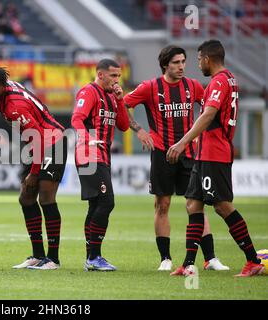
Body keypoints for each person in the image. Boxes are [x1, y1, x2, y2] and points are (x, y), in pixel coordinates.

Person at [123, 45, 229, 271]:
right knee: (163, 204)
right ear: (165, 65)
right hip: (162, 154)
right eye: (176, 63)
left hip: (190, 154)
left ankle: (210, 259)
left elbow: (211, 110)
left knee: (196, 205)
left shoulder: (193, 86)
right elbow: (122, 105)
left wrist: (203, 136)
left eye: (183, 62)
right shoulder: (150, 87)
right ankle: (165, 259)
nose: (182, 67)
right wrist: (139, 130)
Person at [167, 40, 265, 277]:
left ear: (208, 59)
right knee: (193, 204)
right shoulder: (229, 78)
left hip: (214, 153)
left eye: (199, 59)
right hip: (205, 154)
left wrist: (183, 142)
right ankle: (188, 264)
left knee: (222, 206)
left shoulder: (219, 81)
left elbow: (209, 114)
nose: (198, 63)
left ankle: (253, 261)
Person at [0, 63, 66, 270]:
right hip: (34, 143)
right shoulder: (4, 87)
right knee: (26, 198)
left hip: (51, 142)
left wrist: (34, 174)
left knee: (45, 197)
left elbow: (38, 140)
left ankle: (53, 259)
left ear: (1, 86)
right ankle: (37, 255)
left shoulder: (14, 108)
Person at [71, 59, 130, 271]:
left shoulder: (113, 98)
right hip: (88, 154)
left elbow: (123, 126)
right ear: (101, 74)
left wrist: (121, 100)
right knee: (107, 202)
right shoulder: (89, 92)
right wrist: (87, 139)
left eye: (118, 77)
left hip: (102, 156)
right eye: (113, 76)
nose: (116, 81)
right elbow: (77, 119)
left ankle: (91, 258)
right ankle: (94, 257)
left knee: (96, 204)